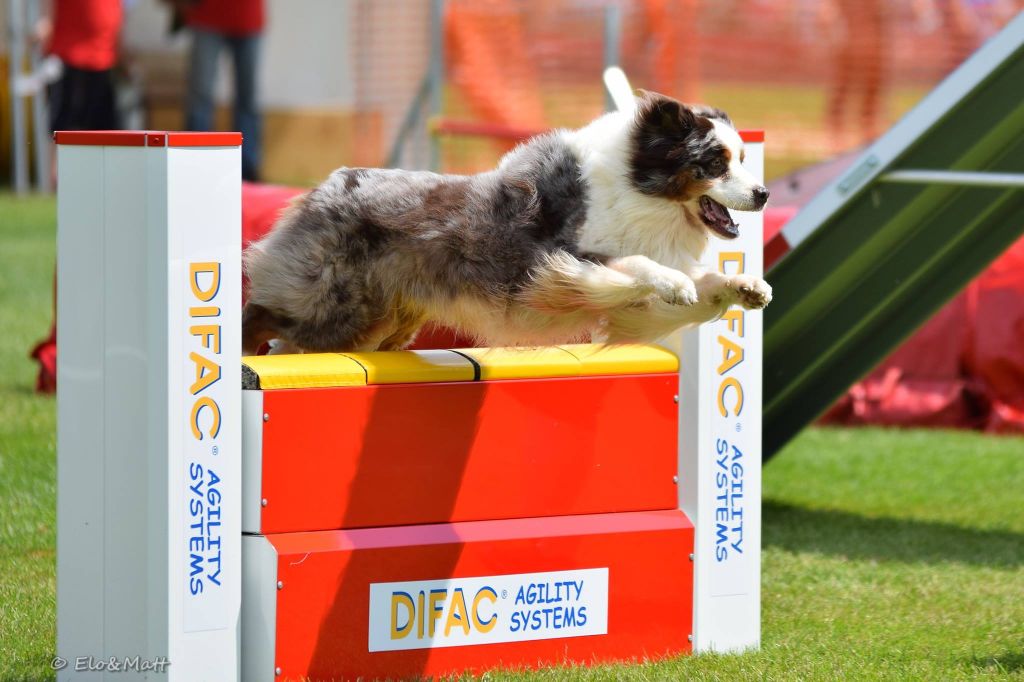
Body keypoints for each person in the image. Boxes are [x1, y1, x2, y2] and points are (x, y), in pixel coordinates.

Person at [172, 0, 265, 181]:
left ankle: (247, 169)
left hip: (248, 16)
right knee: (200, 97)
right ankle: (193, 163)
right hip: (206, 15)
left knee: (248, 99)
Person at [42, 0, 124, 134]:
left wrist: (120, 50)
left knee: (104, 129)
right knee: (64, 129)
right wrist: (45, 19)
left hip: (103, 58)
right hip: (69, 55)